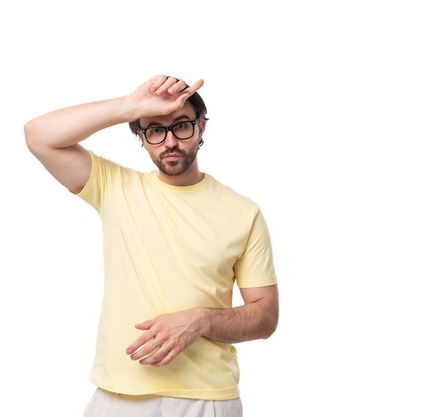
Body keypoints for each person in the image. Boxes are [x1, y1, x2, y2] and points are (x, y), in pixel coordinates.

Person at [24, 75, 279, 417]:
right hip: (118, 396)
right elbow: (39, 136)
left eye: (182, 126)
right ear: (142, 139)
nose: (170, 141)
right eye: (155, 130)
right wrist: (130, 106)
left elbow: (265, 317)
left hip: (206, 399)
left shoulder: (243, 213)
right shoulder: (116, 187)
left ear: (202, 128)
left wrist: (200, 321)